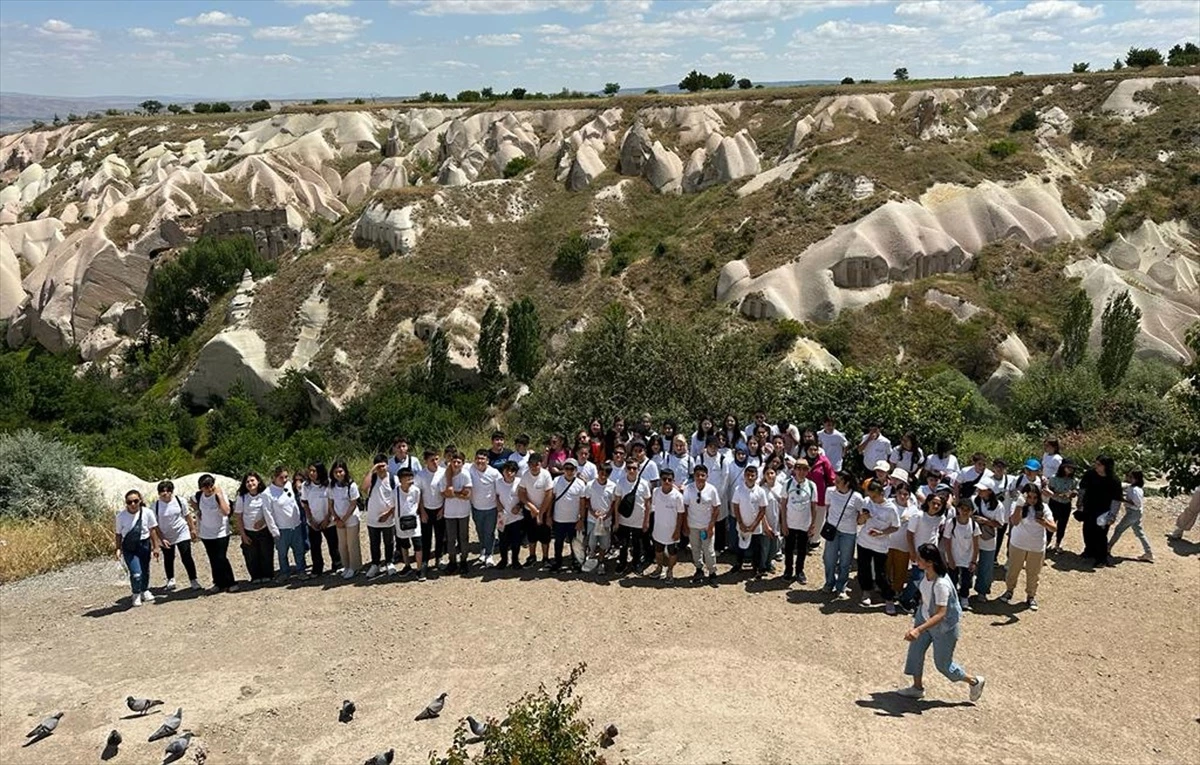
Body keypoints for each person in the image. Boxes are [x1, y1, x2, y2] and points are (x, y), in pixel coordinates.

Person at [898, 543, 986, 703]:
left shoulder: (941, 585)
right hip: (923, 619)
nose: (916, 560)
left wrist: (919, 629)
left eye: (920, 558)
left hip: (943, 629)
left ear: (929, 562)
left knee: (943, 665)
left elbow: (941, 614)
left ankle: (974, 681)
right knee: (915, 653)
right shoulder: (926, 573)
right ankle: (917, 688)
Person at [1001, 485, 1056, 611]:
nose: (1032, 500)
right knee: (1013, 570)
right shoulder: (1017, 505)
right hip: (1018, 544)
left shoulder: (1044, 508)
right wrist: (1020, 505)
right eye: (1029, 497)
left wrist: (1044, 522)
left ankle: (1031, 596)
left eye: (1035, 497)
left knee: (1033, 573)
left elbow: (1053, 528)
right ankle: (1009, 591)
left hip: (1036, 547)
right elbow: (1014, 522)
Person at [857, 480, 900, 608]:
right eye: (870, 496)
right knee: (863, 569)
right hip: (864, 541)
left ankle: (888, 597)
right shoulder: (866, 502)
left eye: (874, 496)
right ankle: (866, 592)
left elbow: (896, 527)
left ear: (882, 493)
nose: (872, 499)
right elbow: (859, 522)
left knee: (880, 573)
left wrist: (882, 532)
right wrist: (863, 518)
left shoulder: (891, 508)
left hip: (880, 546)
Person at [116, 489, 162, 607]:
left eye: (135, 501)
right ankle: (136, 593)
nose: (133, 504)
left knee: (145, 570)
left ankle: (144, 590)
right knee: (136, 573)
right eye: (129, 502)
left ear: (140, 501)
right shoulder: (121, 516)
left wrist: (156, 547)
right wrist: (118, 548)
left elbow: (152, 530)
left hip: (144, 544)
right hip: (129, 547)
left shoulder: (147, 512)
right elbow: (118, 534)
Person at [151, 480, 199, 592]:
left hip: (182, 532)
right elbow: (154, 524)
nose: (165, 493)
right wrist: (161, 538)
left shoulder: (180, 501)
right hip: (165, 535)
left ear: (172, 491)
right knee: (168, 557)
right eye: (162, 491)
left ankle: (193, 580)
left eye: (168, 490)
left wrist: (192, 529)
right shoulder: (155, 505)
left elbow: (187, 516)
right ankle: (170, 579)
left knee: (186, 556)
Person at [191, 475, 236, 593]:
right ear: (201, 488)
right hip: (206, 533)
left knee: (221, 557)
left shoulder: (220, 495)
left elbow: (226, 511)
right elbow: (192, 500)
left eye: (211, 485)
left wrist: (219, 496)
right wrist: (198, 511)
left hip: (221, 532)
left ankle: (230, 582)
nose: (209, 488)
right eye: (206, 486)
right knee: (212, 558)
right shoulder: (199, 496)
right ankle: (218, 583)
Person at [823, 471, 864, 599]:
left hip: (849, 533)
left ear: (847, 483)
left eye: (839, 481)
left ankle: (841, 586)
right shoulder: (830, 491)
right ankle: (829, 582)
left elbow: (861, 514)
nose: (835, 483)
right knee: (829, 559)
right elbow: (828, 507)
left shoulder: (856, 497)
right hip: (833, 531)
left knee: (845, 562)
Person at [1077, 455, 1122, 568]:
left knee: (1101, 535)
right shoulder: (1090, 474)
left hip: (1104, 511)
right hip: (1089, 508)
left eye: (1099, 464)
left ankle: (1101, 558)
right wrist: (1080, 501)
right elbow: (1082, 488)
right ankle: (1089, 550)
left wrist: (1112, 515)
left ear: (1106, 466)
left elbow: (1116, 499)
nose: (1095, 466)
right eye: (1095, 463)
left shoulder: (1114, 480)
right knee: (1087, 530)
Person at [234, 472, 277, 584]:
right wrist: (243, 535)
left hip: (264, 530)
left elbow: (272, 511)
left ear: (258, 481)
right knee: (251, 555)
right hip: (249, 531)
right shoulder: (242, 497)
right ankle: (255, 576)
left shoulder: (265, 494)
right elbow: (238, 516)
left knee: (266, 553)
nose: (250, 483)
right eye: (247, 481)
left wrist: (263, 521)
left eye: (252, 480)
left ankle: (268, 575)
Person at [266, 467, 306, 580]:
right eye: (281, 477)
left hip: (295, 524)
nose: (284, 480)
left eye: (286, 477)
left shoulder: (288, 485)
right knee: (282, 554)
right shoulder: (268, 493)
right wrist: (274, 531)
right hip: (281, 528)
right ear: (274, 478)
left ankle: (301, 571)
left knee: (299, 550)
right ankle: (284, 572)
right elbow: (268, 514)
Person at [683, 463, 720, 585]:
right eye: (697, 475)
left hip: (706, 526)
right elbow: (686, 507)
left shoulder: (712, 490)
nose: (700, 478)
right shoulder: (688, 489)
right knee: (695, 549)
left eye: (702, 475)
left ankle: (712, 572)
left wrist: (711, 526)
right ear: (694, 476)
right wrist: (685, 525)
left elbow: (716, 508)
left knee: (709, 551)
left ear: (707, 476)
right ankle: (698, 569)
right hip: (692, 525)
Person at [885, 484, 920, 612]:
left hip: (903, 546)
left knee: (900, 572)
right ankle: (886, 593)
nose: (902, 496)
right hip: (886, 544)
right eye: (900, 493)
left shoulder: (914, 510)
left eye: (906, 494)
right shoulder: (888, 504)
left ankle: (897, 593)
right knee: (885, 570)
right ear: (896, 493)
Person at [782, 459, 817, 585]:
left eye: (804, 469)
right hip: (790, 522)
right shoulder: (787, 484)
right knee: (789, 548)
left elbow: (814, 506)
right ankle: (788, 570)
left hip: (804, 523)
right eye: (799, 468)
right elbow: (783, 505)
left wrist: (813, 524)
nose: (801, 472)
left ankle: (799, 571)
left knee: (802, 549)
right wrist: (784, 523)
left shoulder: (812, 486)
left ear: (808, 471)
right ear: (794, 469)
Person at [614, 459, 653, 574]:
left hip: (638, 521)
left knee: (637, 544)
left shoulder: (644, 484)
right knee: (623, 544)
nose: (632, 470)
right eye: (629, 468)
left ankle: (636, 563)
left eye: (634, 468)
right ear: (626, 469)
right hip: (623, 520)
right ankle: (622, 563)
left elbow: (647, 504)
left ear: (638, 469)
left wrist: (646, 521)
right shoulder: (620, 482)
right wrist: (616, 521)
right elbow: (617, 502)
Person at [438, 451, 473, 575]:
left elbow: (467, 494)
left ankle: (464, 560)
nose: (456, 464)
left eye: (459, 462)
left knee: (463, 537)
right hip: (450, 512)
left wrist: (453, 494)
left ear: (463, 463)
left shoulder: (465, 475)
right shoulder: (445, 476)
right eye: (454, 461)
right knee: (451, 538)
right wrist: (459, 493)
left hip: (463, 511)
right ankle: (452, 561)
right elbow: (443, 492)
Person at [362, 456, 398, 578]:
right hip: (373, 518)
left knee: (389, 542)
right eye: (378, 466)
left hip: (388, 518)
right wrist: (372, 470)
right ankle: (375, 564)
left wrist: (388, 513)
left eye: (383, 465)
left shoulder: (394, 479)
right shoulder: (372, 478)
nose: (381, 468)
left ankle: (389, 562)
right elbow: (363, 488)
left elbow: (398, 499)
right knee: (374, 543)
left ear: (387, 465)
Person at [549, 458, 587, 573]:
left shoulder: (580, 484)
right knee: (558, 542)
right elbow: (552, 499)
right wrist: (549, 516)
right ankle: (558, 561)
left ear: (575, 470)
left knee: (574, 542)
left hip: (574, 519)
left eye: (572, 469)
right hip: (559, 518)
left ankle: (576, 562)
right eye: (567, 468)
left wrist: (581, 519)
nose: (569, 471)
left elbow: (582, 503)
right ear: (563, 469)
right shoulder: (556, 481)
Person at [942, 500, 981, 610]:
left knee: (966, 580)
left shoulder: (974, 525)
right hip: (954, 556)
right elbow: (947, 541)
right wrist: (950, 558)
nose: (964, 512)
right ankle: (952, 598)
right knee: (952, 578)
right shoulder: (951, 523)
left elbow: (976, 544)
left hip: (967, 558)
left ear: (971, 511)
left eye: (967, 510)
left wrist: (973, 561)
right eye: (962, 509)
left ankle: (964, 597)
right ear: (958, 509)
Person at [970, 478, 1005, 602]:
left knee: (986, 566)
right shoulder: (974, 500)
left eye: (982, 489)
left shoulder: (998, 506)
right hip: (972, 536)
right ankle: (965, 587)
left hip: (987, 538)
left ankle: (982, 591)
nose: (979, 491)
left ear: (990, 491)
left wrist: (986, 521)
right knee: (968, 561)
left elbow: (1000, 524)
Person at [648, 468, 686, 582]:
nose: (667, 482)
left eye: (670, 479)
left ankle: (670, 571)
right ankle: (659, 568)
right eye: (664, 479)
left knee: (672, 552)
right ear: (660, 480)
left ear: (673, 480)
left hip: (672, 530)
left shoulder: (678, 496)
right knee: (658, 550)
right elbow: (653, 508)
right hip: (658, 529)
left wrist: (677, 531)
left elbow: (680, 514)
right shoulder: (655, 492)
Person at [304, 462, 341, 577]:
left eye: (314, 471)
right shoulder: (306, 486)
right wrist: (310, 520)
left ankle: (337, 564)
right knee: (315, 546)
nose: (311, 473)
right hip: (313, 522)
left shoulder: (329, 484)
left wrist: (328, 518)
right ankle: (317, 568)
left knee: (333, 544)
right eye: (310, 470)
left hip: (328, 521)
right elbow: (305, 504)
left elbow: (332, 502)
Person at [732, 464, 769, 576]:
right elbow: (736, 507)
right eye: (748, 475)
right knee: (740, 547)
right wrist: (740, 523)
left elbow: (763, 509)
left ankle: (757, 567)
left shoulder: (760, 491)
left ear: (756, 476)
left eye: (752, 475)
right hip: (742, 524)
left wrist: (754, 525)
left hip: (756, 526)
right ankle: (738, 565)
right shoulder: (738, 489)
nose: (750, 477)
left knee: (756, 548)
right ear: (744, 476)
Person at [695, 437, 731, 552]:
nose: (713, 449)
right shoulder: (700, 458)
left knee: (719, 523)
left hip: (720, 496)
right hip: (703, 495)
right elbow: (697, 476)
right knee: (703, 522)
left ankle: (718, 547)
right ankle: (703, 546)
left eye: (715, 446)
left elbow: (725, 479)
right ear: (706, 447)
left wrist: (718, 497)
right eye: (711, 446)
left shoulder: (723, 460)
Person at [1108, 469, 1153, 562]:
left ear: (1135, 479)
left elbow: (1136, 503)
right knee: (1139, 532)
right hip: (1137, 513)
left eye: (1130, 476)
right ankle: (1148, 552)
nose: (1127, 478)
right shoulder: (1135, 488)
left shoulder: (1135, 490)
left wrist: (1123, 500)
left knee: (1119, 529)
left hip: (1132, 512)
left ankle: (1108, 548)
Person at [519, 453, 554, 567]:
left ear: (541, 464)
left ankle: (545, 558)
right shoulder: (525, 475)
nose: (534, 467)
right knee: (531, 535)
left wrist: (542, 513)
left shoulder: (546, 475)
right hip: (530, 510)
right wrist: (532, 507)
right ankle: (532, 556)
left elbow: (549, 495)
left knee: (545, 536)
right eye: (531, 464)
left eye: (536, 464)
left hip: (544, 509)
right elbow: (521, 493)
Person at [468, 449, 501, 567]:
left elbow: (500, 490)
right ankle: (483, 549)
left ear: (488, 460)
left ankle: (489, 554)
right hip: (476, 508)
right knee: (480, 531)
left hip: (491, 508)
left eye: (483, 459)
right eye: (478, 458)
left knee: (489, 532)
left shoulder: (494, 473)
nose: (480, 461)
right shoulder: (470, 468)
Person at [328, 460, 362, 579]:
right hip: (338, 518)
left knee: (352, 543)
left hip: (351, 518)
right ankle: (346, 566)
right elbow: (330, 503)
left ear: (345, 472)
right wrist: (336, 518)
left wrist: (344, 519)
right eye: (336, 472)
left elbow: (353, 504)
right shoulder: (331, 486)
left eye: (340, 471)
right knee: (342, 544)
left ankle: (355, 567)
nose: (338, 474)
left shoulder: (351, 485)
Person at [583, 460, 617, 574]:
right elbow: (586, 500)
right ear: (598, 472)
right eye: (601, 473)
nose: (603, 476)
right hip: (592, 519)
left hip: (606, 520)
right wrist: (592, 512)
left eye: (606, 473)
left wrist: (608, 514)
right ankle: (591, 558)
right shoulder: (590, 485)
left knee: (604, 543)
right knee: (592, 542)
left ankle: (601, 561)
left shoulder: (613, 486)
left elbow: (613, 503)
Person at [417, 449, 447, 573]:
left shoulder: (444, 473)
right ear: (426, 461)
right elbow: (419, 494)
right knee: (426, 537)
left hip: (440, 508)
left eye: (436, 459)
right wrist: (422, 511)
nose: (435, 462)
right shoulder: (420, 475)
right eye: (432, 460)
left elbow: (446, 492)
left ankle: (439, 558)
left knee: (440, 536)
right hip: (426, 510)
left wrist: (443, 509)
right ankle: (425, 561)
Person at [395, 467, 425, 579]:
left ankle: (419, 568)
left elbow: (418, 503)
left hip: (414, 521)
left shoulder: (416, 490)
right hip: (401, 522)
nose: (409, 479)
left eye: (410, 477)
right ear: (400, 479)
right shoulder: (395, 491)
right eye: (406, 477)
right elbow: (393, 506)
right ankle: (407, 565)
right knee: (404, 545)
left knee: (418, 545)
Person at [495, 460, 525, 569]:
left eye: (512, 471)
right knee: (503, 541)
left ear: (516, 472)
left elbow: (525, 497)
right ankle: (503, 560)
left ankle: (515, 561)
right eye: (507, 470)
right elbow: (496, 496)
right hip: (502, 517)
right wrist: (498, 506)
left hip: (517, 517)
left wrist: (519, 506)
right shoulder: (498, 482)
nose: (509, 473)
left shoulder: (520, 482)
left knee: (516, 541)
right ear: (503, 471)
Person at [1045, 459, 1078, 554]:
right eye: (1068, 468)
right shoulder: (1054, 478)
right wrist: (1059, 494)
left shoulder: (1074, 480)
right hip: (1054, 503)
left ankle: (1058, 544)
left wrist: (1073, 493)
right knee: (1051, 523)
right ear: (1063, 467)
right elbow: (1049, 491)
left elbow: (1075, 490)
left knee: (1062, 525)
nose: (1070, 470)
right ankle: (1047, 542)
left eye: (1072, 468)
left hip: (1066, 505)